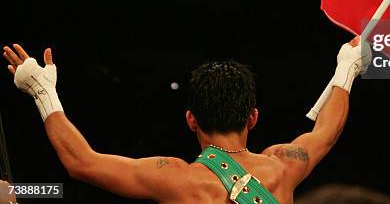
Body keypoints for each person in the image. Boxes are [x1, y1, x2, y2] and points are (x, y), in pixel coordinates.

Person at [3, 38, 368, 204]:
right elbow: (326, 131)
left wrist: (42, 92)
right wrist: (346, 68)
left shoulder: (175, 179)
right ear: (253, 117)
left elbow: (81, 163)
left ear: (191, 119)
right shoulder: (283, 168)